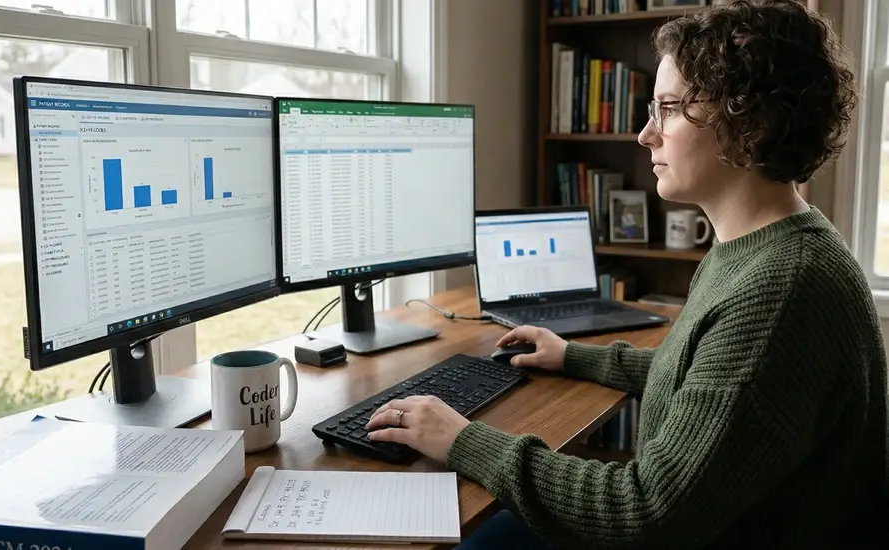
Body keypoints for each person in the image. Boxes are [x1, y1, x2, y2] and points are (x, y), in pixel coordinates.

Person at [365, 0, 888, 548]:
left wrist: (464, 440)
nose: (646, 135)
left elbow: (646, 511)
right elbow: (705, 379)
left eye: (668, 108)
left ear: (750, 124)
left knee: (459, 536)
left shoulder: (782, 289)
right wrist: (573, 356)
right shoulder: (760, 246)